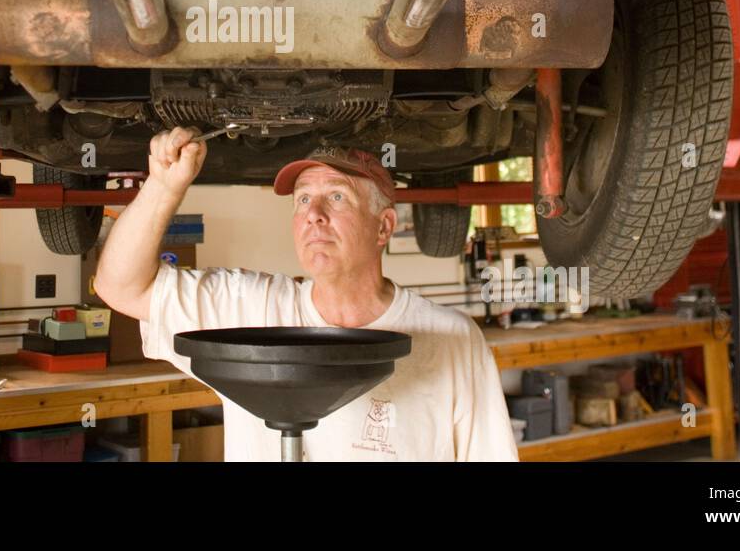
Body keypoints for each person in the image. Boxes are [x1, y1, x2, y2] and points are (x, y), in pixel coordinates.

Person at [93, 127, 520, 461]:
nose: (313, 215)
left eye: (337, 196)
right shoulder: (248, 313)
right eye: (302, 200)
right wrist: (163, 187)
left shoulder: (452, 339)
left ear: (384, 227)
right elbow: (120, 287)